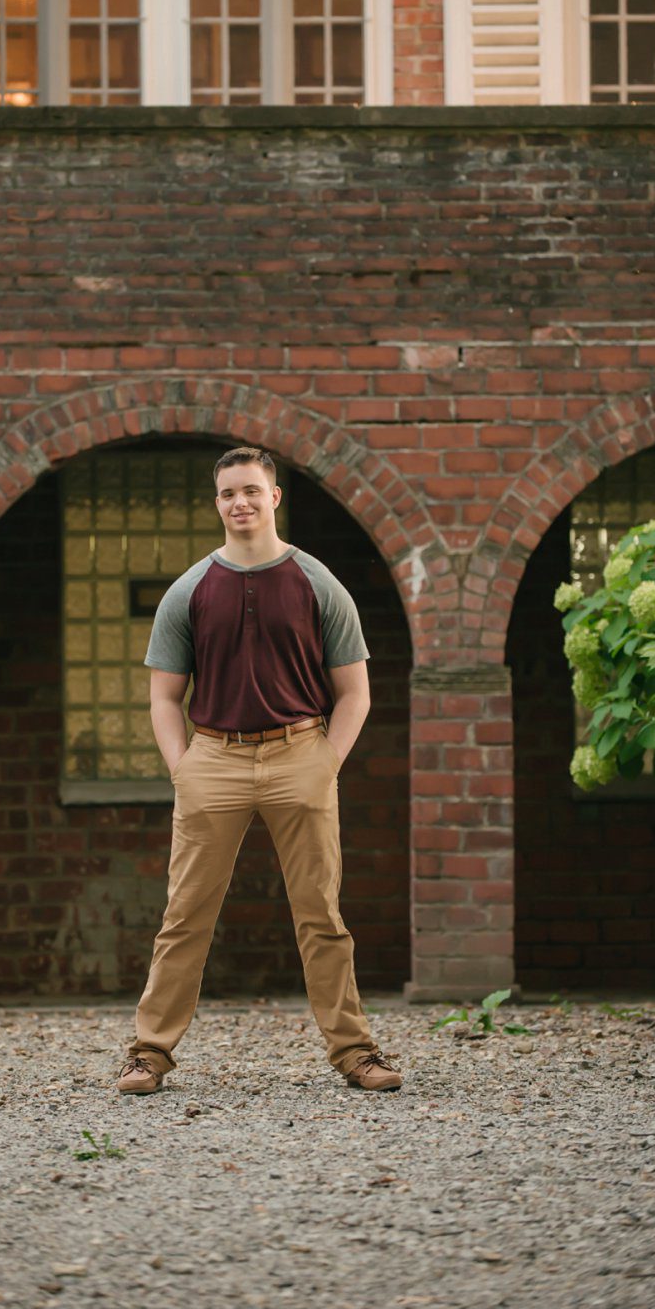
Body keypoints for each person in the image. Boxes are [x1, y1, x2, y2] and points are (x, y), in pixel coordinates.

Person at [120, 445, 402, 1097]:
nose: (239, 502)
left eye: (251, 490)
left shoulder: (317, 583)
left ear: (275, 497)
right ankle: (148, 1055)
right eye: (227, 494)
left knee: (321, 916)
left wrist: (325, 761)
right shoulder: (189, 590)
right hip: (212, 757)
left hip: (301, 751)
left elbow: (355, 692)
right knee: (184, 916)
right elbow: (164, 698)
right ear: (216, 503)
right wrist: (182, 769)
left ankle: (356, 1054)